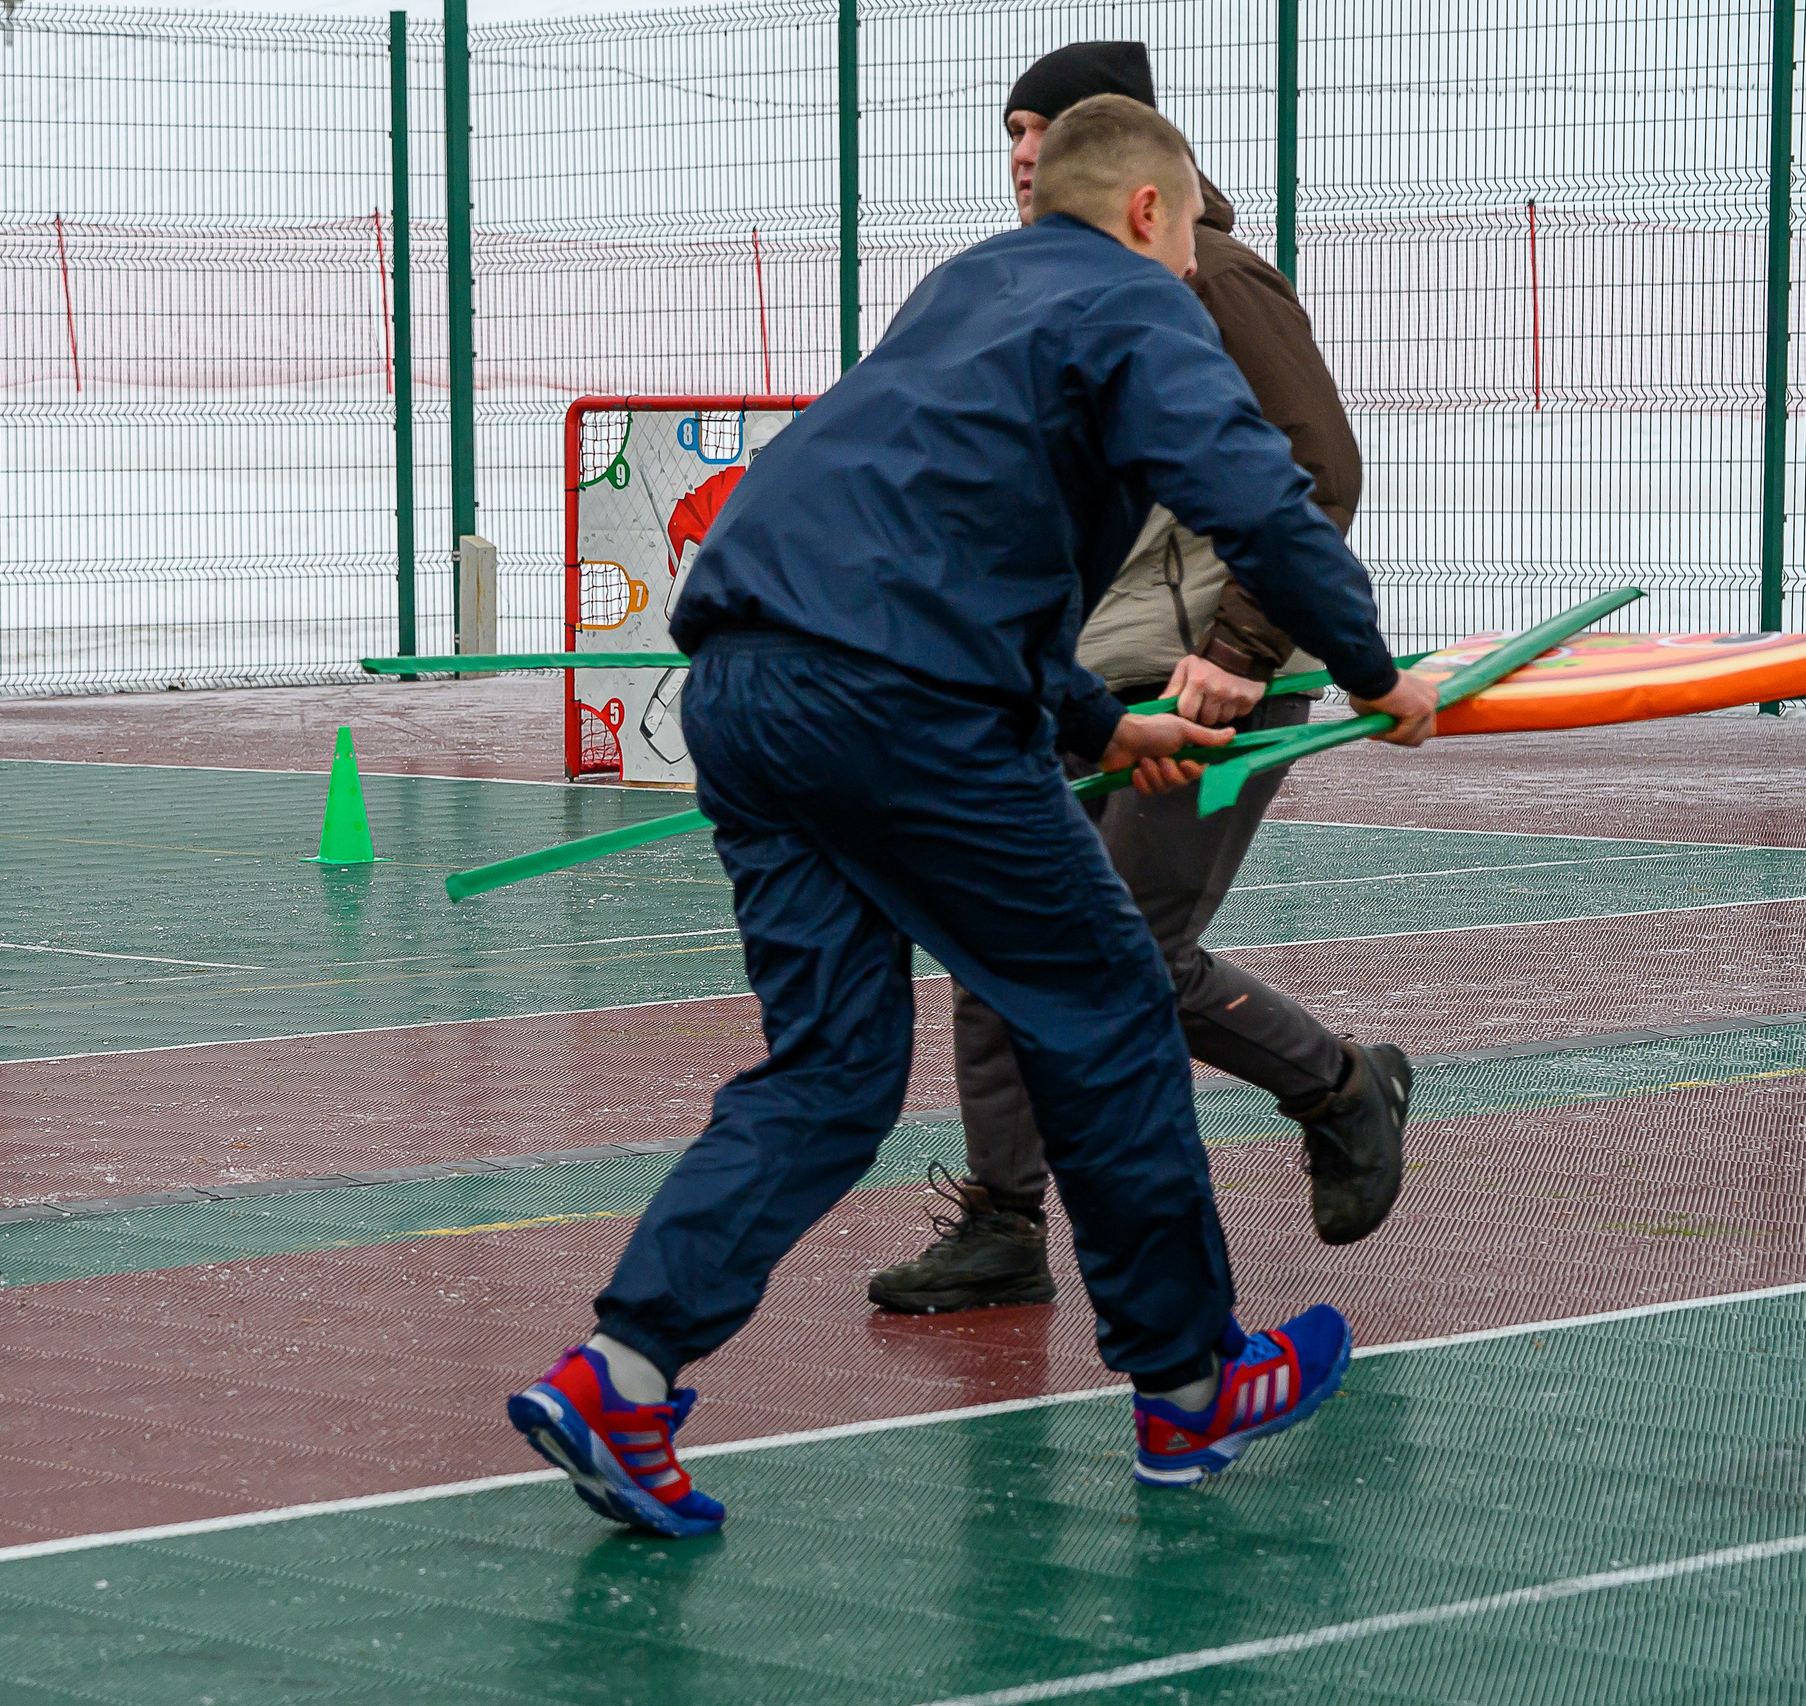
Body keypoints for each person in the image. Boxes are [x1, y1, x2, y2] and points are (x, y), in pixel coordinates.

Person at [505, 94, 1438, 1534]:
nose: (1195, 265)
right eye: (1189, 233)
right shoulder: (1140, 301)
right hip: (905, 710)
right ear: (1147, 211)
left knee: (828, 1072)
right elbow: (1266, 496)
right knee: (1112, 1008)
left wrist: (1096, 721)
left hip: (746, 695)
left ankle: (621, 1372)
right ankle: (1192, 1389)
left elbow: (920, 542)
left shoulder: (964, 290)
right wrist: (1382, 674)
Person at [867, 41, 1415, 1317]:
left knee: (1127, 949)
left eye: (1043, 128)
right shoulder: (1043, 299)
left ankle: (1341, 1083)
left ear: (1126, 157)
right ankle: (1003, 1222)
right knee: (998, 939)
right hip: (1074, 692)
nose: (1019, 153)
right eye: (1009, 129)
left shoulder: (1212, 279)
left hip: (1215, 683)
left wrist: (1232, 659)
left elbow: (1316, 470)